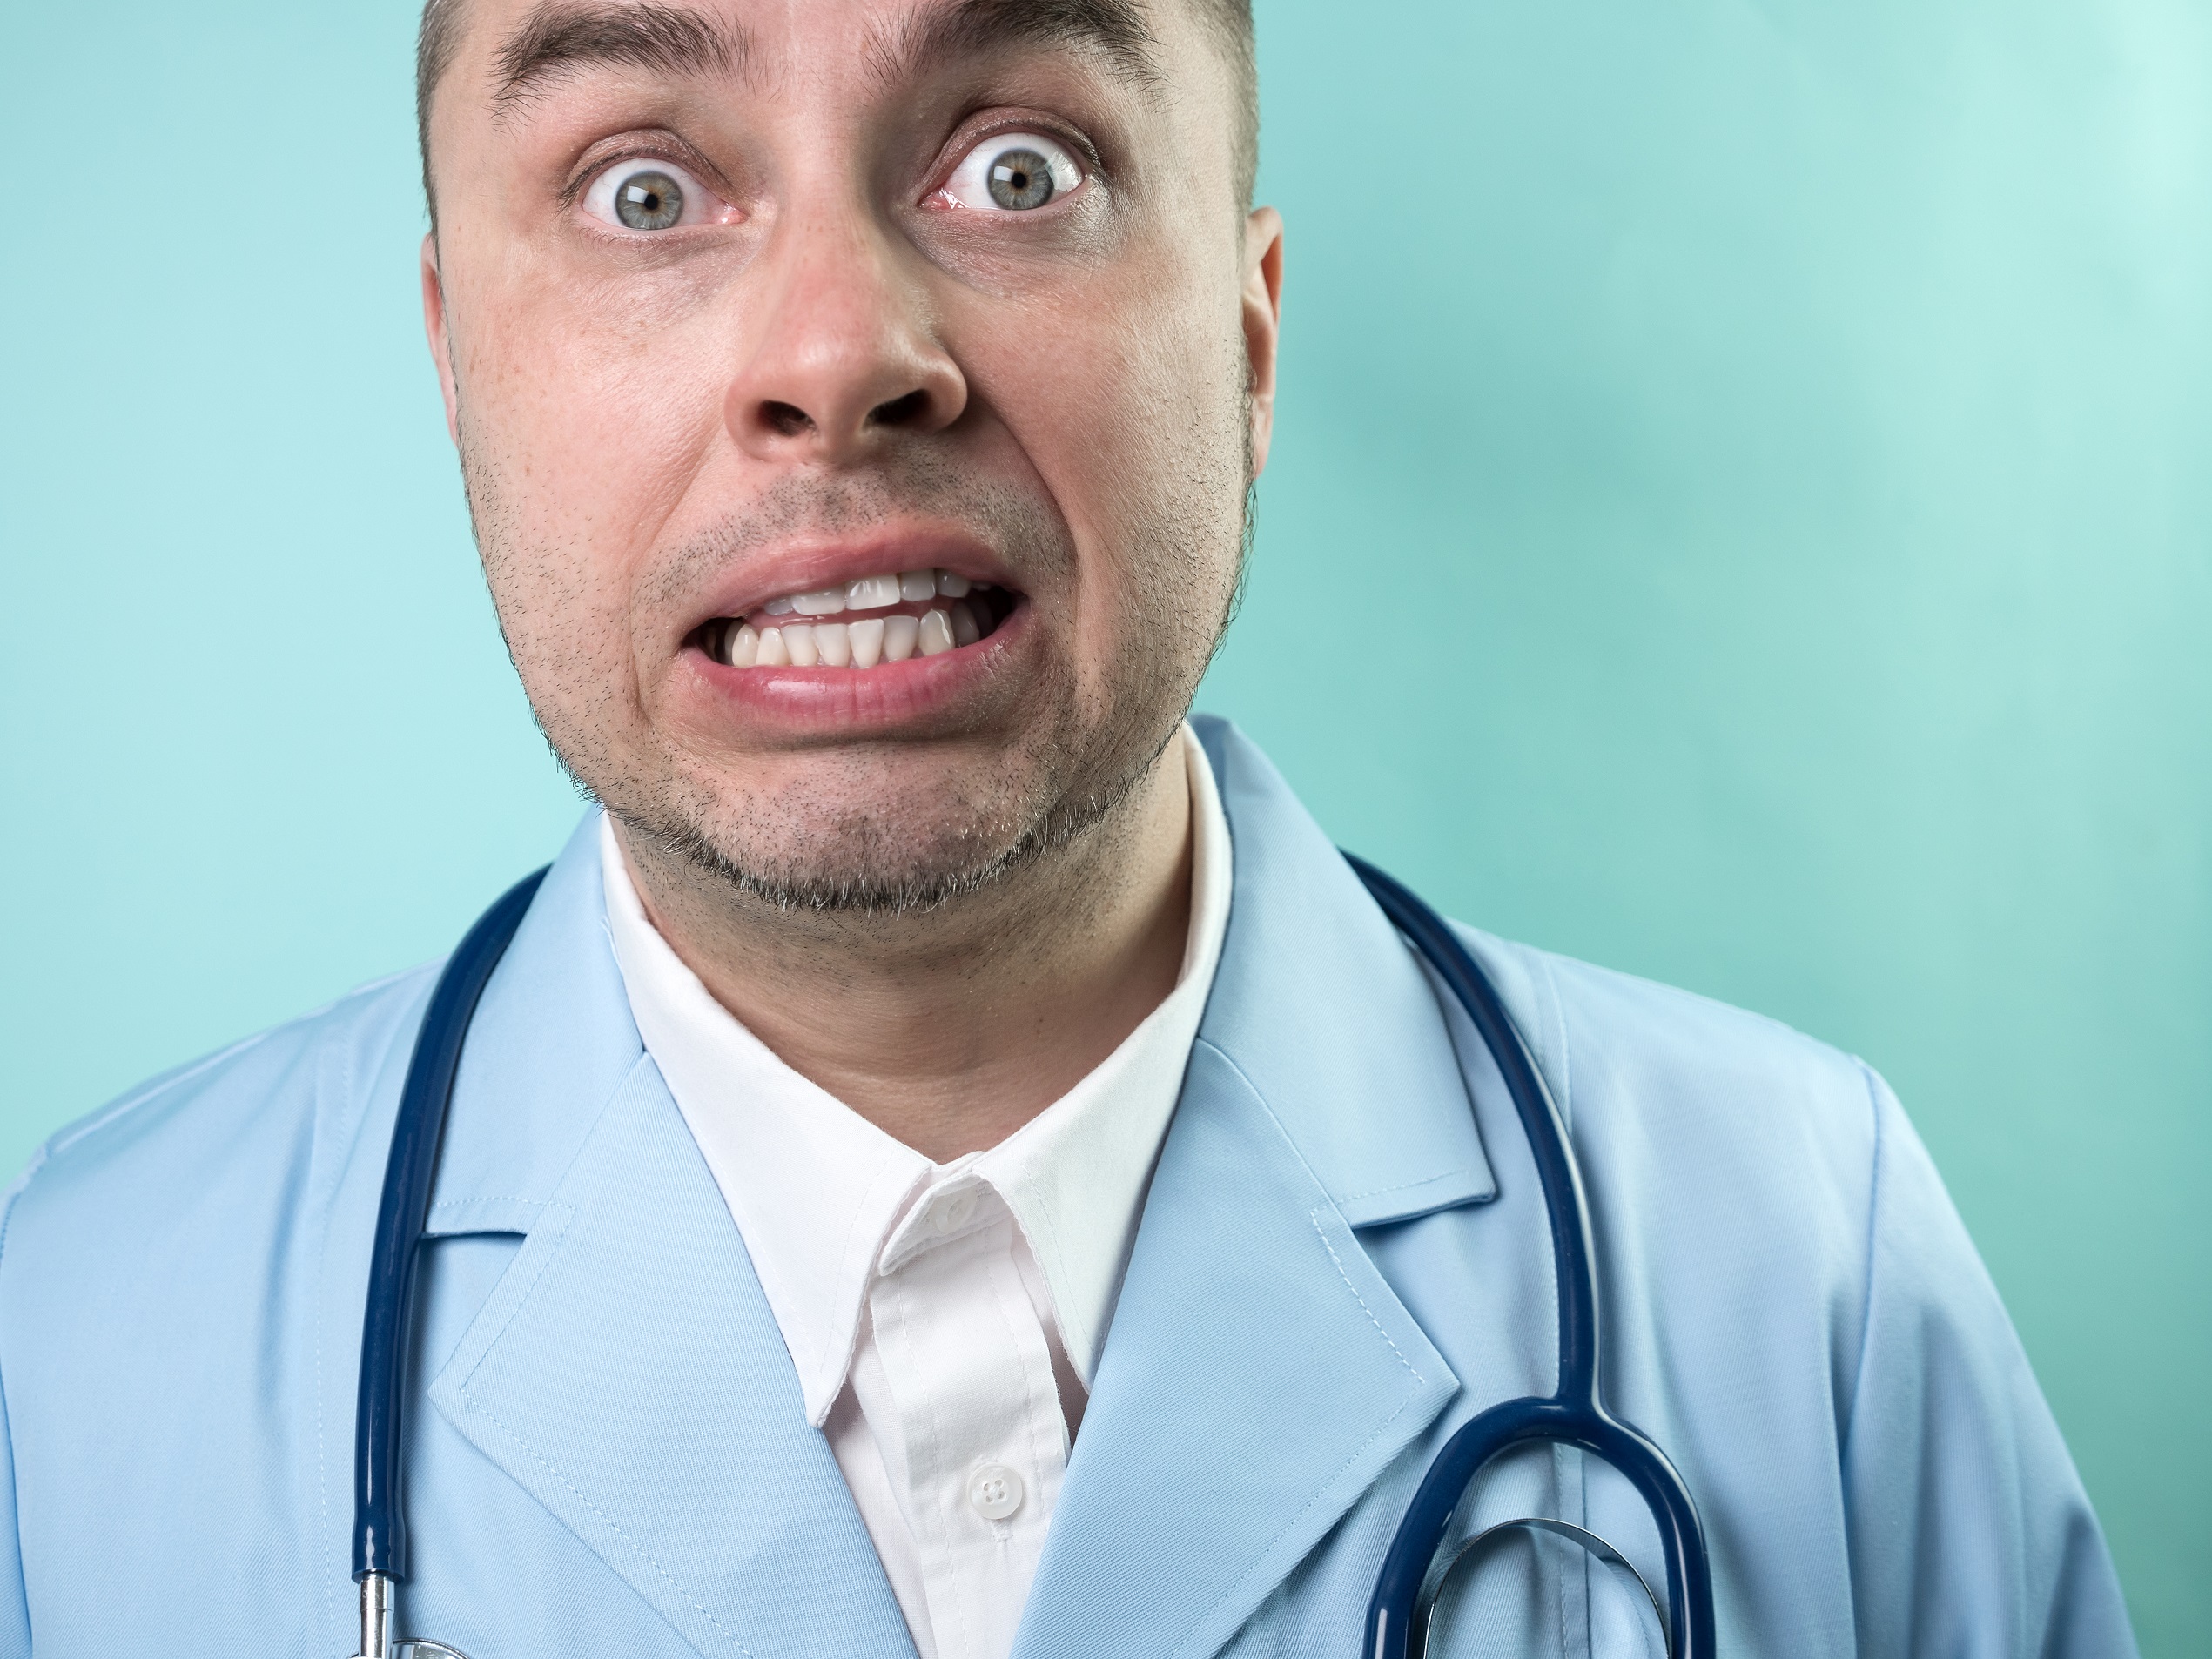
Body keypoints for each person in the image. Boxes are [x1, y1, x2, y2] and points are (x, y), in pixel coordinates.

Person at [0, 0, 2137, 1653]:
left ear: (1245, 332)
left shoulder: (1808, 1279)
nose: (838, 354)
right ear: (457, 358)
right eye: (644, 191)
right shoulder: (73, 1341)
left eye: (1017, 165)